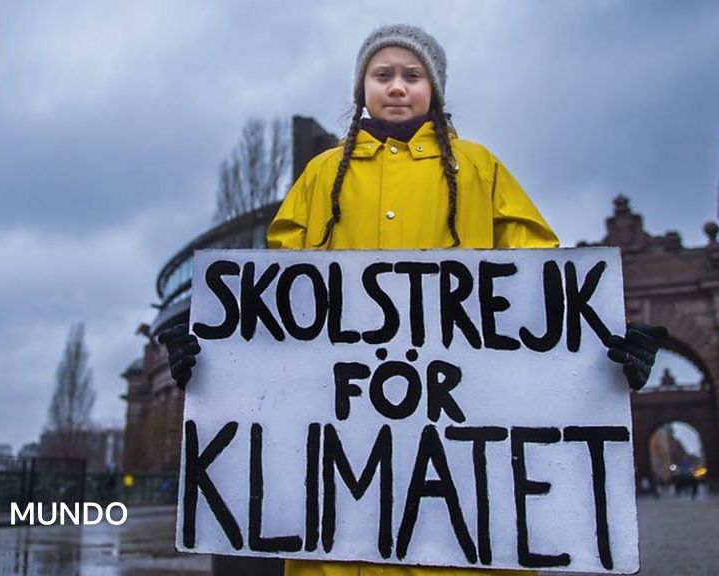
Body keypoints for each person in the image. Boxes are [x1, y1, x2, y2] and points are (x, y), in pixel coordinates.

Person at [160, 23, 666, 576]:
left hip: (464, 521)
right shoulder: (320, 177)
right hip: (336, 527)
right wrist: (217, 357)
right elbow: (276, 309)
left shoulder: (481, 169)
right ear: (361, 89)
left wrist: (598, 351)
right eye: (383, 75)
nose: (397, 87)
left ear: (436, 89)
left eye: (413, 75)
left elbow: (538, 289)